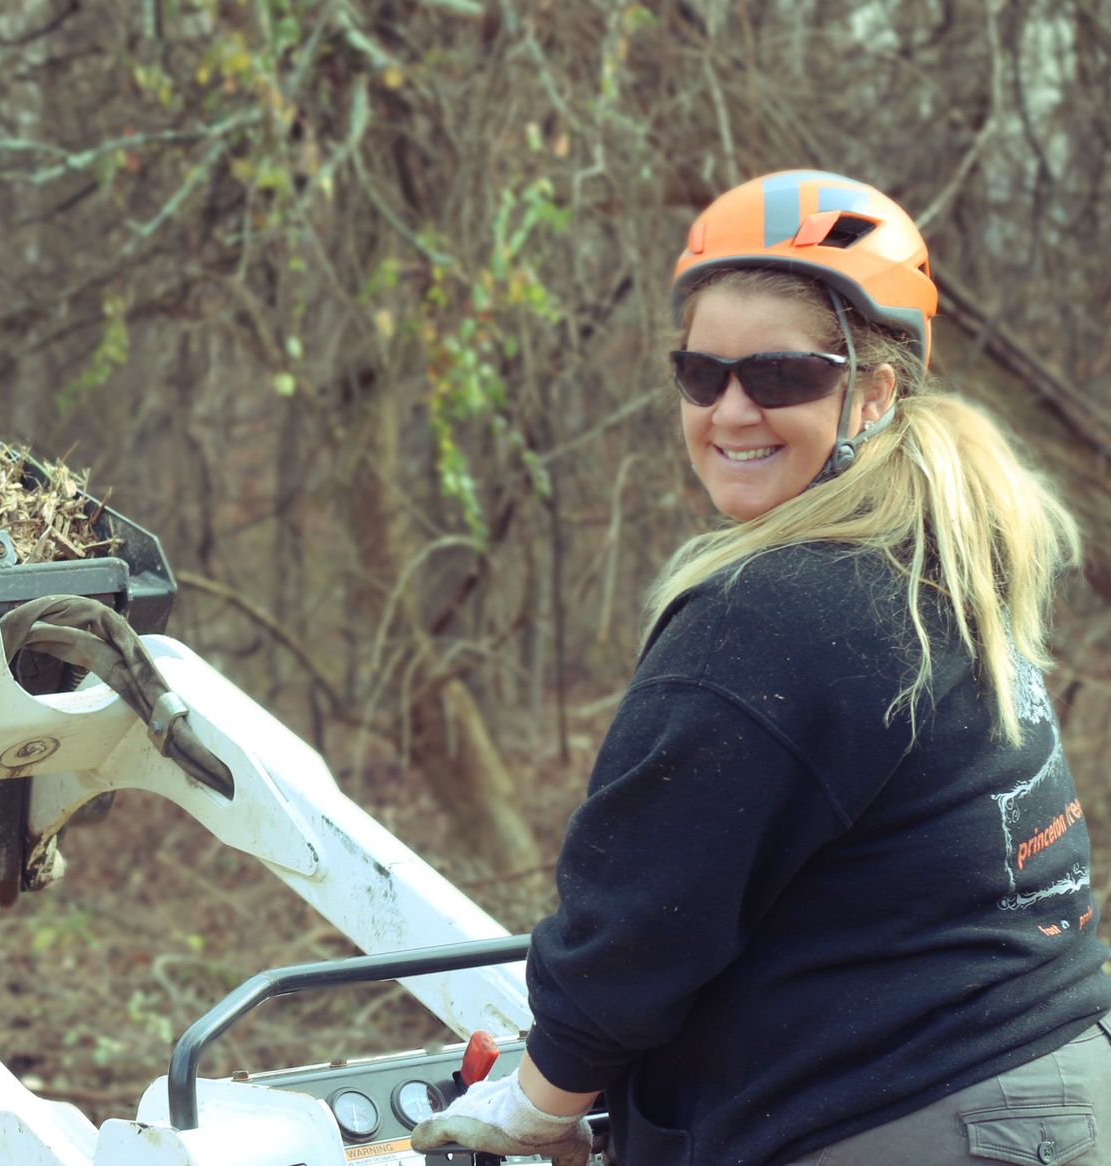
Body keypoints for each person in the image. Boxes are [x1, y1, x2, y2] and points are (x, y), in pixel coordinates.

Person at [411, 170, 1111, 1165]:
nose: (732, 411)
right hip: (1050, 1091)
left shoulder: (777, 613)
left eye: (781, 376)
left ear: (874, 392)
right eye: (702, 375)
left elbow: (641, 926)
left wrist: (534, 1104)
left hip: (908, 1121)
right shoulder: (932, 565)